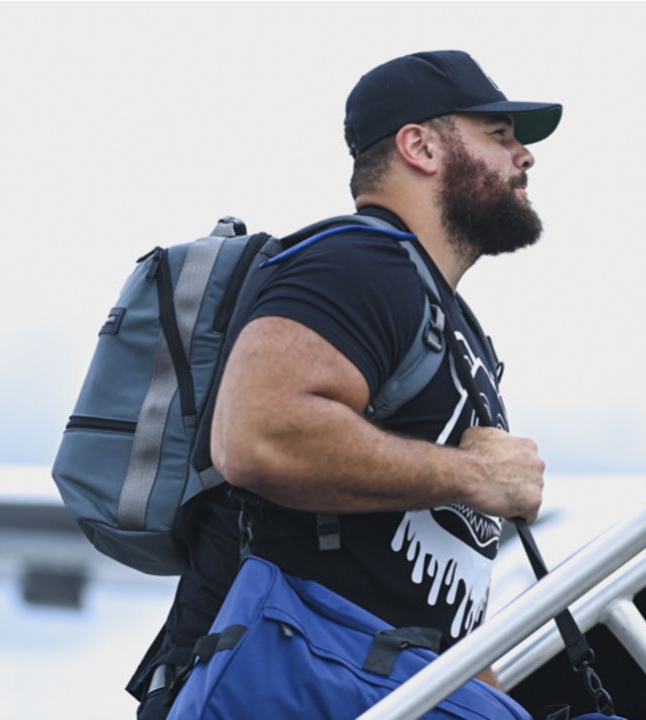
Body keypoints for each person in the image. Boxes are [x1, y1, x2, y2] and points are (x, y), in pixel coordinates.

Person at [129, 49, 562, 718]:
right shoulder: (357, 263)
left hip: (367, 687)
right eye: (498, 135)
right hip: (283, 693)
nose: (524, 155)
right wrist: (473, 476)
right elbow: (257, 438)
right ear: (419, 146)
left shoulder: (446, 317)